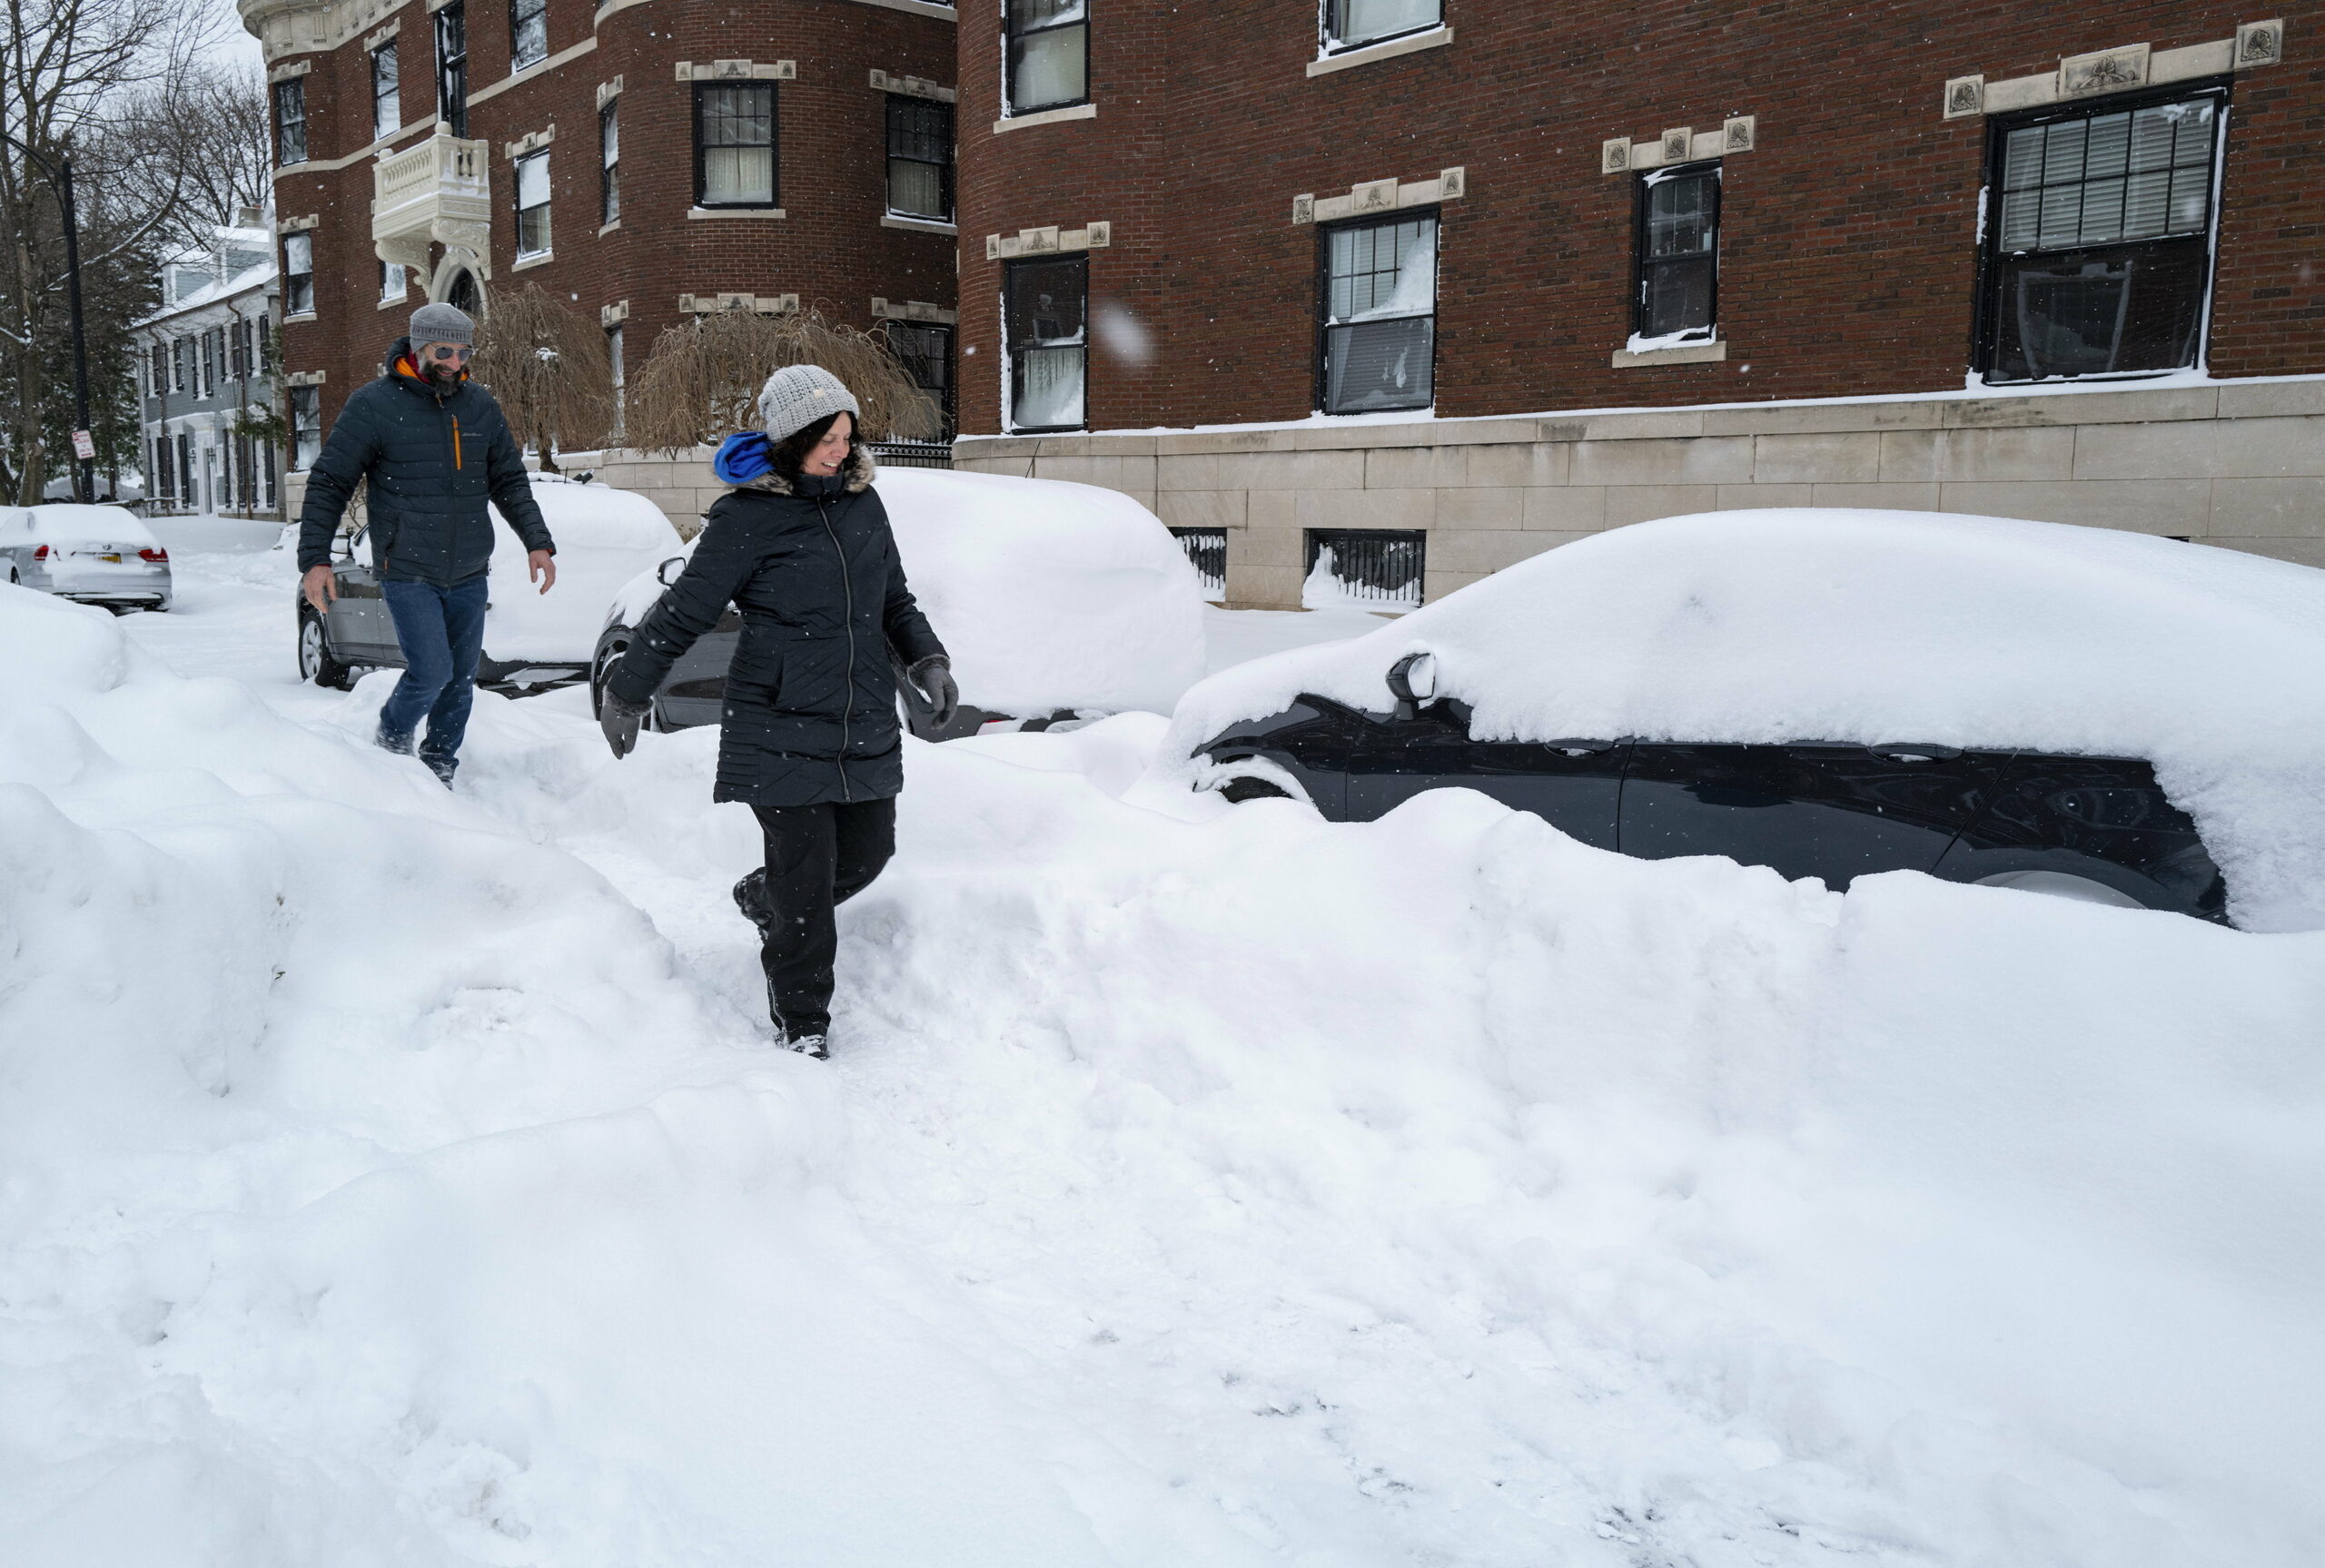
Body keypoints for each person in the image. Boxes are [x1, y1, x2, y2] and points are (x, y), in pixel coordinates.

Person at [597, 365, 956, 1060]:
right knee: (807, 876)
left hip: (859, 717)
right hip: (780, 718)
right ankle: (803, 1019)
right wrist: (629, 687)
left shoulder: (864, 505)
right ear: (790, 440)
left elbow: (895, 603)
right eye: (826, 438)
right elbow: (682, 612)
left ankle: (768, 901)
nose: (840, 451)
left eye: (848, 437)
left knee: (868, 851)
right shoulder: (747, 517)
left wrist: (926, 660)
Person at [297, 301, 557, 785]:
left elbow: (509, 480)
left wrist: (536, 541)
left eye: (464, 352)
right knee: (433, 670)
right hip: (408, 567)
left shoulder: (479, 405)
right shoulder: (373, 405)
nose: (455, 363)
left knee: (461, 680)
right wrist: (316, 559)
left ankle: (439, 764)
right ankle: (392, 738)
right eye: (444, 351)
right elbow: (330, 481)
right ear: (418, 349)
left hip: (469, 569)